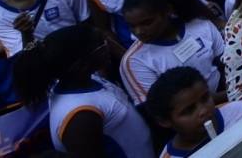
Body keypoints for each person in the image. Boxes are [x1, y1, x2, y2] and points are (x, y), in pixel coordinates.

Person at [12, 24, 155, 157]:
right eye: (101, 45)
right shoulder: (80, 116)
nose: (107, 46)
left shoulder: (82, 79)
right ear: (81, 65)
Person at [119, 0, 224, 105]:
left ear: (167, 11)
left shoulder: (200, 25)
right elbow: (159, 109)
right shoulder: (135, 61)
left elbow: (226, 63)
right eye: (132, 26)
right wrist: (227, 96)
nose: (138, 32)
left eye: (147, 23)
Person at [146, 66, 242, 158]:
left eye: (205, 98)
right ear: (165, 121)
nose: (203, 110)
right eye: (188, 110)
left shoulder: (239, 111)